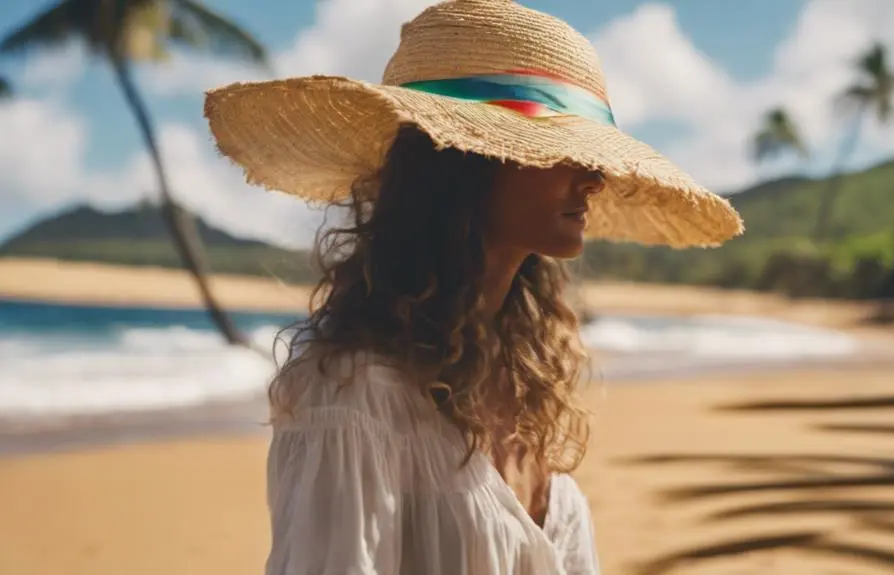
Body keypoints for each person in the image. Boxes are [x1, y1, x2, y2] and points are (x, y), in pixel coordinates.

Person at [204, 1, 742, 573]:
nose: (596, 177)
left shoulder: (525, 378)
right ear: (465, 159)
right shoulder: (353, 397)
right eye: (563, 151)